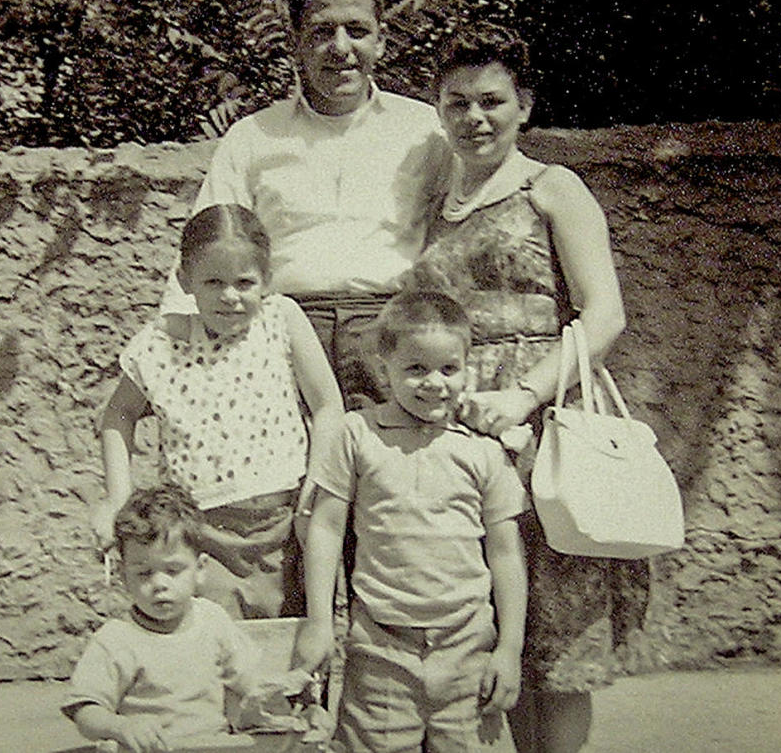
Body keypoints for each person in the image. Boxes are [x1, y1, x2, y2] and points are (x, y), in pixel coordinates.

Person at [406, 22, 640, 753]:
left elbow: (605, 314)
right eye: (457, 103)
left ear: (524, 106)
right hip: (461, 429)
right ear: (438, 110)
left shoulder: (553, 188)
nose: (475, 118)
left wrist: (527, 395)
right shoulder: (430, 208)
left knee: (558, 639)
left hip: (542, 424)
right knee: (496, 627)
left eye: (492, 101)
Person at [167, 0, 452, 408]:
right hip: (279, 337)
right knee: (286, 477)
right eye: (322, 32)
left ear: (381, 41)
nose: (341, 48)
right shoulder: (252, 138)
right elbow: (204, 250)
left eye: (357, 30)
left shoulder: (426, 132)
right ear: (296, 42)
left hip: (395, 341)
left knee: (392, 476)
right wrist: (183, 360)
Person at [292, 290, 529, 752]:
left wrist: (509, 648)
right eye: (415, 369)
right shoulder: (357, 435)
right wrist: (320, 623)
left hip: (467, 650)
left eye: (448, 369)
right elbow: (324, 528)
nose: (434, 383)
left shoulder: (482, 449)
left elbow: (505, 554)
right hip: (381, 650)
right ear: (385, 370)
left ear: (469, 367)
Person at [96, 204, 344, 619]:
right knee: (211, 658)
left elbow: (327, 405)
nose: (230, 296)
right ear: (185, 280)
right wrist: (118, 499)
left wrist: (315, 490)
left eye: (244, 282)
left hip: (282, 526)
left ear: (266, 280)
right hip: (196, 535)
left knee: (283, 656)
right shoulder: (160, 344)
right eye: (213, 282)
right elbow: (116, 417)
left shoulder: (281, 320)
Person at [61, 484, 262, 752]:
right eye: (144, 573)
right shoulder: (116, 639)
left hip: (214, 746)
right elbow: (85, 710)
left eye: (173, 570)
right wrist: (119, 726)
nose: (159, 584)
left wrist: (273, 709)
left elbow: (250, 683)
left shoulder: (213, 621)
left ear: (200, 570)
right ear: (123, 575)